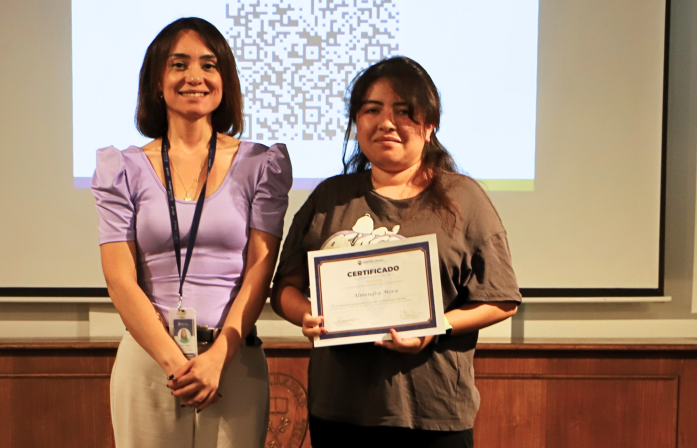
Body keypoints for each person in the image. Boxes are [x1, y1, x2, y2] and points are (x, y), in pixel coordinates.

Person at [270, 56, 521, 448]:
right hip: (338, 412)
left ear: (429, 125)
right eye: (372, 110)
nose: (386, 122)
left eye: (403, 111)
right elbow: (284, 288)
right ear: (357, 122)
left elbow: (501, 299)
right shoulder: (330, 197)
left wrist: (434, 326)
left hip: (432, 413)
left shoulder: (464, 199)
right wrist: (306, 315)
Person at [91, 17, 292, 448]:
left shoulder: (261, 164)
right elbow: (119, 279)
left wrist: (217, 359)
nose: (194, 77)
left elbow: (260, 270)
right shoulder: (122, 168)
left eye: (209, 65)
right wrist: (173, 363)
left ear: (225, 80)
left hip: (232, 362)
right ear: (157, 82)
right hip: (149, 361)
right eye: (179, 64)